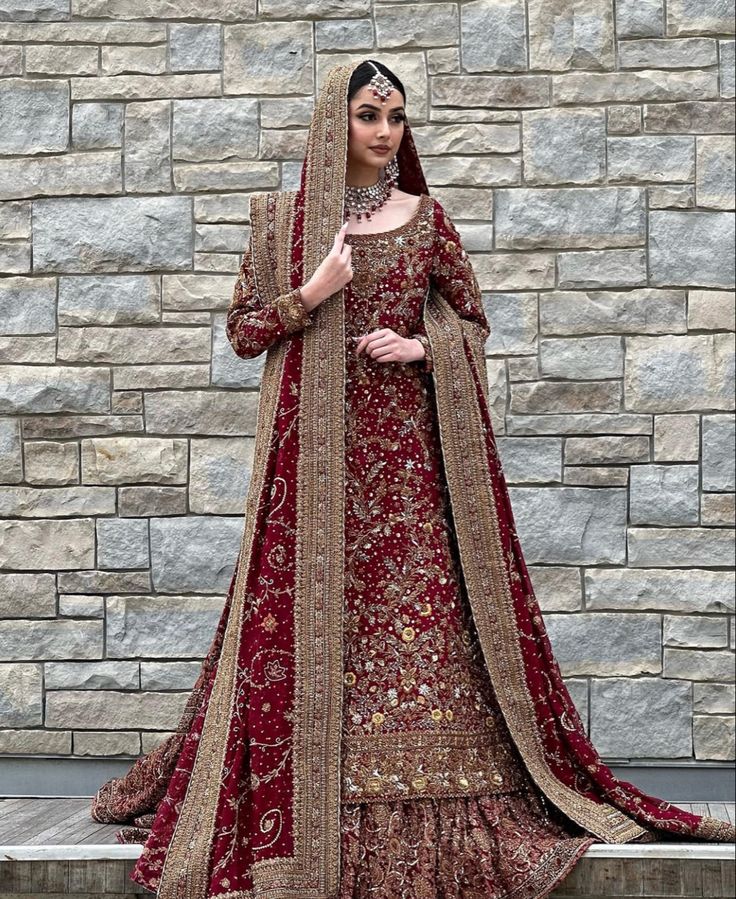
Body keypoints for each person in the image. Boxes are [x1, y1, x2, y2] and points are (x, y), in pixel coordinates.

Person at [91, 59, 735, 899]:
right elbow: (246, 333)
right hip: (310, 474)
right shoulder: (280, 222)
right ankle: (308, 803)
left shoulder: (427, 221)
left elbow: (474, 319)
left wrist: (424, 348)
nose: (384, 131)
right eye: (367, 114)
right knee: (313, 626)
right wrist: (314, 291)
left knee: (423, 625)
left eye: (395, 116)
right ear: (336, 123)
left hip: (409, 471)